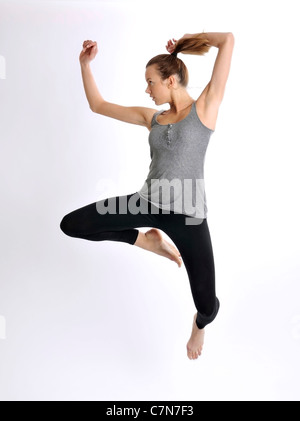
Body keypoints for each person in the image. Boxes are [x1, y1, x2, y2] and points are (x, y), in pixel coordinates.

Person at [60, 32, 234, 360]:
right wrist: (85, 64)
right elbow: (98, 105)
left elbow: (227, 40)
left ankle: (198, 325)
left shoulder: (205, 109)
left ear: (170, 81)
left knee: (208, 307)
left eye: (150, 82)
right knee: (72, 224)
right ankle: (147, 241)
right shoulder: (150, 118)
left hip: (189, 216)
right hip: (146, 202)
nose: (146, 89)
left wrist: (189, 39)